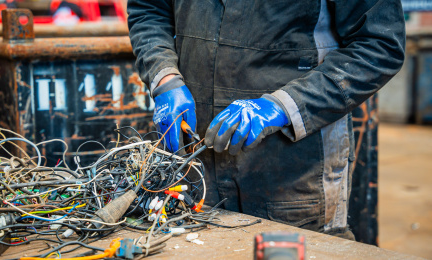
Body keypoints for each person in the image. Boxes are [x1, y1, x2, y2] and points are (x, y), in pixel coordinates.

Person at [127, 0, 405, 239]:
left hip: (295, 173)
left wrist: (283, 106)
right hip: (196, 167)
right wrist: (164, 77)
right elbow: (149, 9)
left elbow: (379, 45)